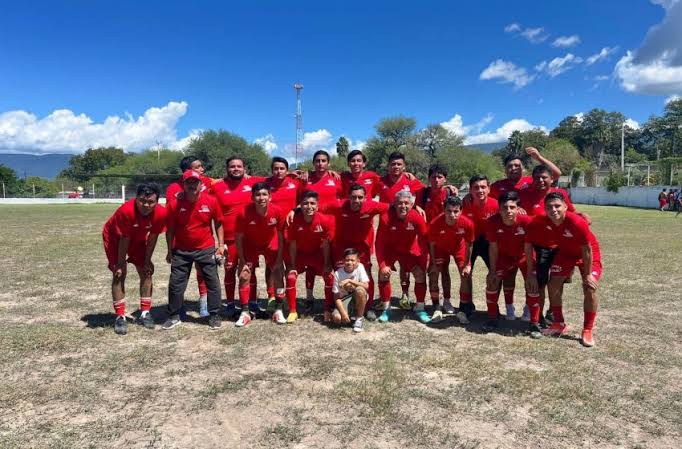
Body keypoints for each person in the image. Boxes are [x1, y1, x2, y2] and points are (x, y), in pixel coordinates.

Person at [525, 192, 603, 347]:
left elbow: (587, 250)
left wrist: (587, 275)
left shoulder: (576, 222)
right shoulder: (541, 221)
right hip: (565, 254)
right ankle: (558, 323)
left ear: (566, 207)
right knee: (553, 284)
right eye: (549, 207)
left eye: (557, 206)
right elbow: (528, 242)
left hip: (587, 254)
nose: (553, 210)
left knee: (589, 288)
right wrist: (530, 271)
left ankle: (587, 329)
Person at [102, 182, 167, 335]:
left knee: (146, 272)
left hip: (138, 237)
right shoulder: (126, 211)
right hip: (115, 238)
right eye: (142, 201)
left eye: (151, 202)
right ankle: (120, 316)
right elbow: (124, 239)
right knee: (119, 274)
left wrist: (147, 260)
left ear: (157, 201)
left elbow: (153, 238)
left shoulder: (161, 213)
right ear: (136, 198)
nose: (146, 205)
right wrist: (120, 263)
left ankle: (145, 312)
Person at [164, 170, 224, 330]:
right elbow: (169, 229)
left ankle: (214, 314)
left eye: (194, 182)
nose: (192, 185)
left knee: (212, 282)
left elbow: (218, 223)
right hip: (181, 250)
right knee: (176, 284)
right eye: (188, 182)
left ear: (201, 184)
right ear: (183, 185)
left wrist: (220, 245)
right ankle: (174, 315)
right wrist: (169, 250)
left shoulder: (211, 201)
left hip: (205, 248)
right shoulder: (174, 204)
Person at [319, 184, 389, 320]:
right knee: (340, 277)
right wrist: (295, 210)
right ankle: (339, 304)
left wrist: (415, 206)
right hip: (341, 248)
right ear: (348, 197)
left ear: (366, 197)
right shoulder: (339, 205)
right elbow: (317, 207)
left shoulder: (371, 206)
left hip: (361, 249)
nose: (356, 200)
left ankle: (368, 307)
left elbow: (391, 207)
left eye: (360, 197)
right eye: (353, 197)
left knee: (366, 275)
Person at [212, 156, 266, 317]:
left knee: (250, 271)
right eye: (232, 166)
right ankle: (229, 304)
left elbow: (277, 177)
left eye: (239, 166)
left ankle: (253, 303)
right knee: (229, 271)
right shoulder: (217, 187)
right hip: (229, 239)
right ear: (227, 169)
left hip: (249, 239)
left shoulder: (252, 183)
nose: (236, 169)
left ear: (245, 168)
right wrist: (220, 244)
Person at [165, 156, 214, 316]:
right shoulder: (173, 188)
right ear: (187, 171)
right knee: (179, 278)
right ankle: (177, 308)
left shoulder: (205, 181)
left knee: (204, 273)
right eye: (198, 166)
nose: (202, 169)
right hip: (181, 242)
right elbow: (172, 215)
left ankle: (204, 303)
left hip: (203, 240)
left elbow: (224, 181)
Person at [234, 183, 287, 327]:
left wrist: (279, 258)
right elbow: (238, 237)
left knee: (277, 273)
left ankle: (278, 308)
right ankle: (245, 312)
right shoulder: (243, 212)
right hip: (250, 245)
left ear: (270, 196)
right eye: (258, 195)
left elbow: (282, 236)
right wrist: (242, 260)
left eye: (264, 194)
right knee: (244, 275)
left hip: (271, 243)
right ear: (252, 197)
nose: (261, 198)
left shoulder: (277, 211)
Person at [375, 190, 430, 323]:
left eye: (406, 203)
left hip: (408, 250)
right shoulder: (385, 218)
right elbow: (379, 243)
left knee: (420, 274)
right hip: (391, 250)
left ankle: (420, 308)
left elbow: (425, 240)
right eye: (400, 203)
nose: (403, 206)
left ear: (412, 205)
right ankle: (386, 308)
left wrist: (424, 263)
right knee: (383, 274)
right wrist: (382, 265)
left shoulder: (416, 217)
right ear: (394, 204)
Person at [483, 191, 535, 333]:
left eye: (512, 207)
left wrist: (531, 273)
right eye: (504, 207)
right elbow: (493, 248)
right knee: (492, 282)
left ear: (517, 208)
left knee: (532, 282)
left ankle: (532, 316)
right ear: (499, 209)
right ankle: (494, 316)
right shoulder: (492, 222)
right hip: (504, 257)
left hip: (524, 256)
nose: (508, 211)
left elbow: (529, 248)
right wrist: (492, 271)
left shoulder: (526, 222)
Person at [285, 191, 335, 323]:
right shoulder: (294, 220)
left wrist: (327, 263)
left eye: (312, 203)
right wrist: (292, 264)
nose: (309, 206)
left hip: (317, 254)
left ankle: (328, 308)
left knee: (328, 275)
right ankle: (292, 311)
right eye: (305, 203)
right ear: (300, 205)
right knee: (290, 276)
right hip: (301, 254)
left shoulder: (324, 220)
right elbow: (293, 245)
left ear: (317, 206)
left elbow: (325, 245)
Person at [302, 150, 344, 306]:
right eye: (317, 161)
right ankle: (309, 297)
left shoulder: (336, 179)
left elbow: (344, 197)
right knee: (311, 262)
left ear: (328, 163)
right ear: (313, 163)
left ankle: (335, 297)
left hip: (332, 226)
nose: (320, 164)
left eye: (323, 161)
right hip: (311, 226)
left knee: (333, 262)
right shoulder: (305, 179)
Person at [426, 196, 474, 322]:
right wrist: (433, 263)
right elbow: (431, 244)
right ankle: (437, 307)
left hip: (458, 248)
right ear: (444, 210)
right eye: (449, 211)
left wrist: (467, 264)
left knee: (465, 275)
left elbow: (469, 244)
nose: (452, 214)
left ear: (461, 211)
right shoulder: (435, 223)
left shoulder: (467, 223)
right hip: (439, 248)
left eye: (456, 211)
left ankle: (462, 310)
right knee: (434, 274)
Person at [459, 175, 498, 323]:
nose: (480, 190)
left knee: (495, 274)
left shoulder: (496, 205)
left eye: (483, 187)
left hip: (489, 243)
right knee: (465, 273)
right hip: (471, 242)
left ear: (489, 189)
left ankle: (493, 308)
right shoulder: (465, 203)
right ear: (470, 190)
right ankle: (466, 306)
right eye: (476, 188)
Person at [418, 163, 456, 314]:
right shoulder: (423, 193)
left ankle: (446, 301)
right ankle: (435, 303)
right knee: (431, 271)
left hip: (443, 239)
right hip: (425, 239)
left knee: (444, 270)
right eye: (433, 177)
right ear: (428, 179)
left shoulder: (449, 194)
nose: (436, 180)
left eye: (440, 177)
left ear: (445, 179)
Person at [489, 147, 561, 199]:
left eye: (517, 165)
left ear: (523, 168)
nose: (513, 168)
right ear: (505, 169)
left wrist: (539, 157)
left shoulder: (533, 181)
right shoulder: (497, 186)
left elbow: (556, 174)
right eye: (510, 166)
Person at [331, 248, 370, 333]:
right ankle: (351, 315)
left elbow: (366, 286)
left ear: (358, 261)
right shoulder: (338, 273)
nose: (349, 262)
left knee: (360, 290)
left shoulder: (360, 267)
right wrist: (343, 313)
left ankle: (359, 319)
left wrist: (350, 280)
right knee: (337, 319)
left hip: (357, 296)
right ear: (343, 261)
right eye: (347, 260)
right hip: (344, 299)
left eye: (352, 260)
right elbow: (336, 297)